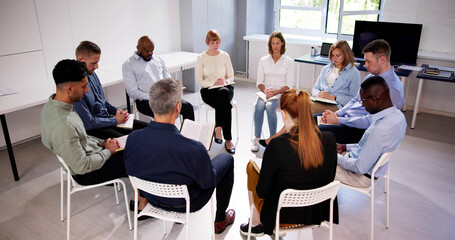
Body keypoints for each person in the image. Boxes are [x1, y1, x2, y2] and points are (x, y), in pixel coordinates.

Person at [124, 78, 236, 234]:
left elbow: (132, 168)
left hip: (152, 198)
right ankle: (221, 218)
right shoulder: (194, 148)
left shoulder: (133, 138)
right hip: (186, 203)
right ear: (178, 107)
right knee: (227, 159)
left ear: (150, 105)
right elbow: (207, 182)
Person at [261, 39, 405, 146]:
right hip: (345, 119)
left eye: (368, 61)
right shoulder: (371, 77)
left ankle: (287, 151)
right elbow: (355, 101)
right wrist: (336, 115)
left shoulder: (393, 90)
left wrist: (338, 119)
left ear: (382, 59)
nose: (365, 65)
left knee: (309, 129)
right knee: (306, 120)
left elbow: (372, 122)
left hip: (355, 129)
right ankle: (280, 145)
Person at [240, 89, 338, 237]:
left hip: (282, 215)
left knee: (251, 168)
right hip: (317, 211)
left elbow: (262, 192)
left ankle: (255, 224)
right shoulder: (329, 139)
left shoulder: (278, 146)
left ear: (284, 114)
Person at [41, 59, 127, 185]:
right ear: (69, 89)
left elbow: (82, 137)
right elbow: (82, 167)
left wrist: (104, 143)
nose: (87, 90)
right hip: (88, 172)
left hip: (94, 153)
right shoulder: (64, 125)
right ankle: (141, 200)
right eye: (83, 86)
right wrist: (108, 151)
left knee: (136, 148)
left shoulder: (52, 105)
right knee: (141, 157)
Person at [336, 75, 406, 188]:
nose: (362, 105)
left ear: (374, 100)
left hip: (360, 176)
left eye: (362, 101)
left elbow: (359, 167)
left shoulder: (379, 129)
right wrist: (345, 147)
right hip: (367, 165)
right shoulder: (399, 117)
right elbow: (371, 147)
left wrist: (335, 157)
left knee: (311, 164)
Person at [73, 41, 148, 140]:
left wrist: (117, 111)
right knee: (133, 140)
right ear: (80, 60)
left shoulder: (92, 73)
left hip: (108, 120)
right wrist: (115, 120)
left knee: (148, 128)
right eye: (93, 63)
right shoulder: (75, 87)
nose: (97, 67)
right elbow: (88, 123)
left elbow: (102, 101)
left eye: (97, 62)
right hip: (95, 128)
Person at [122, 36, 195, 121]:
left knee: (187, 107)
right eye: (147, 51)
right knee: (165, 114)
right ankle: (170, 134)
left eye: (152, 50)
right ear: (138, 48)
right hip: (145, 100)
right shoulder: (128, 64)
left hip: (164, 96)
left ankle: (188, 134)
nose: (150, 53)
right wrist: (152, 97)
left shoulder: (158, 59)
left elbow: (167, 78)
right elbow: (132, 92)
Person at [251, 31, 293, 152]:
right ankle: (257, 138)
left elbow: (289, 85)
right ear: (270, 44)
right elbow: (259, 81)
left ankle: (272, 139)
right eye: (273, 43)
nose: (275, 46)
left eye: (277, 43)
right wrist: (265, 91)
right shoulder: (263, 60)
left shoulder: (288, 61)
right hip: (265, 92)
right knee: (259, 106)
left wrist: (276, 92)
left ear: (282, 44)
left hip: (280, 93)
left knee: (269, 107)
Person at [196, 29, 236, 154]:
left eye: (217, 42)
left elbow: (231, 76)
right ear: (207, 42)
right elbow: (199, 80)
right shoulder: (201, 57)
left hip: (225, 88)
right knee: (225, 105)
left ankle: (218, 129)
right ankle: (228, 140)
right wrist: (213, 84)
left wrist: (224, 81)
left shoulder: (225, 56)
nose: (215, 45)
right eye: (213, 43)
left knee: (223, 93)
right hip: (208, 91)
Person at [311, 40, 361, 114]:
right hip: (321, 100)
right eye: (333, 55)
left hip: (337, 105)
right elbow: (315, 88)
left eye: (338, 56)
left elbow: (353, 99)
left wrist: (334, 98)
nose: (334, 58)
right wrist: (318, 94)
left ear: (346, 55)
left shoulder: (354, 73)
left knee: (308, 108)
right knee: (300, 103)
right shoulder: (326, 68)